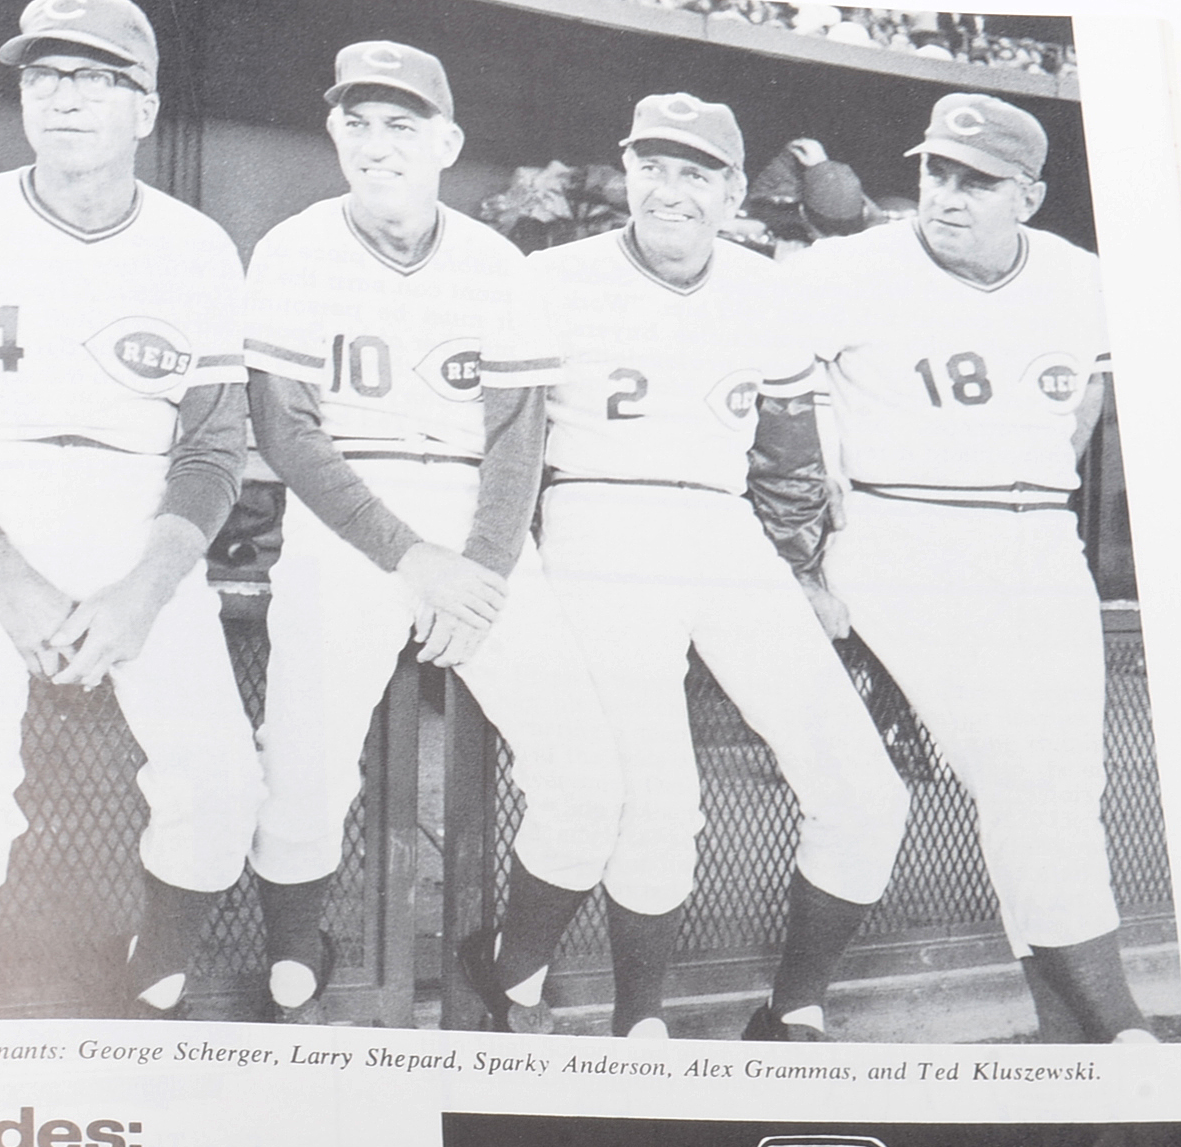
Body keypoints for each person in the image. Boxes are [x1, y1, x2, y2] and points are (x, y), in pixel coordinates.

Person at [478, 93, 910, 1040]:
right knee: (657, 799)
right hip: (598, 512)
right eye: (653, 166)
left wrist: (799, 567)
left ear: (732, 190)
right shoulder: (551, 276)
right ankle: (638, 1019)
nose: (671, 190)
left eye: (697, 172)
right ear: (628, 171)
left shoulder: (767, 290)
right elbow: (505, 445)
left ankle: (793, 1009)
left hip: (721, 525)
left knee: (865, 789)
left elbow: (788, 453)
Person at [0, 0, 261, 1021]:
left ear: (147, 109)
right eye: (44, 74)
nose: (66, 96)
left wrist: (146, 590)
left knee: (221, 781)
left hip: (139, 509)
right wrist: (1, 573)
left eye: (96, 77)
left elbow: (213, 447)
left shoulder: (197, 247)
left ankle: (155, 977)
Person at [242, 41, 623, 1028]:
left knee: (586, 778)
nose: (377, 144)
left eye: (401, 125)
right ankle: (294, 967)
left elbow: (517, 438)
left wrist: (482, 572)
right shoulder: (292, 247)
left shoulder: (496, 264)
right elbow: (286, 432)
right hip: (347, 516)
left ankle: (514, 970)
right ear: (334, 134)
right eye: (357, 122)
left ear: (446, 142)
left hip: (476, 514)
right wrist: (414, 559)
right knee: (302, 773)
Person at [787, 94, 1158, 1043]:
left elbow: (1084, 407)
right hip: (904, 533)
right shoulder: (847, 269)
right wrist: (809, 552)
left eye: (977, 182)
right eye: (936, 172)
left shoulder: (1081, 279)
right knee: (1028, 779)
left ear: (1027, 198)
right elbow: (784, 408)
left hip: (1038, 537)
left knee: (1063, 787)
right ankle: (1118, 1027)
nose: (946, 196)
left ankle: (1070, 1037)